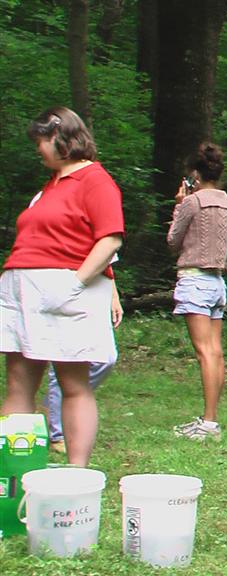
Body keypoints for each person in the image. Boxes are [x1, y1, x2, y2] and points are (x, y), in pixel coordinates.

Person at [0, 106, 124, 467]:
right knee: (19, 384)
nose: (38, 149)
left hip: (66, 291)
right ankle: (13, 475)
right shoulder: (51, 185)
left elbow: (110, 240)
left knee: (73, 382)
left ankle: (76, 474)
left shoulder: (95, 180)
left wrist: (75, 283)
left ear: (61, 137)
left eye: (41, 141)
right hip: (22, 289)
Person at [168, 142, 227, 441]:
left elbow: (172, 242)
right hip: (217, 285)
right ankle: (211, 418)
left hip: (194, 281)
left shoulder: (191, 203)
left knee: (205, 353)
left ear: (194, 174)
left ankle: (209, 424)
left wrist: (177, 207)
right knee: (216, 352)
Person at [47, 280, 121, 454]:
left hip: (94, 289)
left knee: (106, 359)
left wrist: (114, 296)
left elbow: (106, 259)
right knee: (63, 358)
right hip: (61, 284)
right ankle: (58, 433)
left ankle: (60, 402)